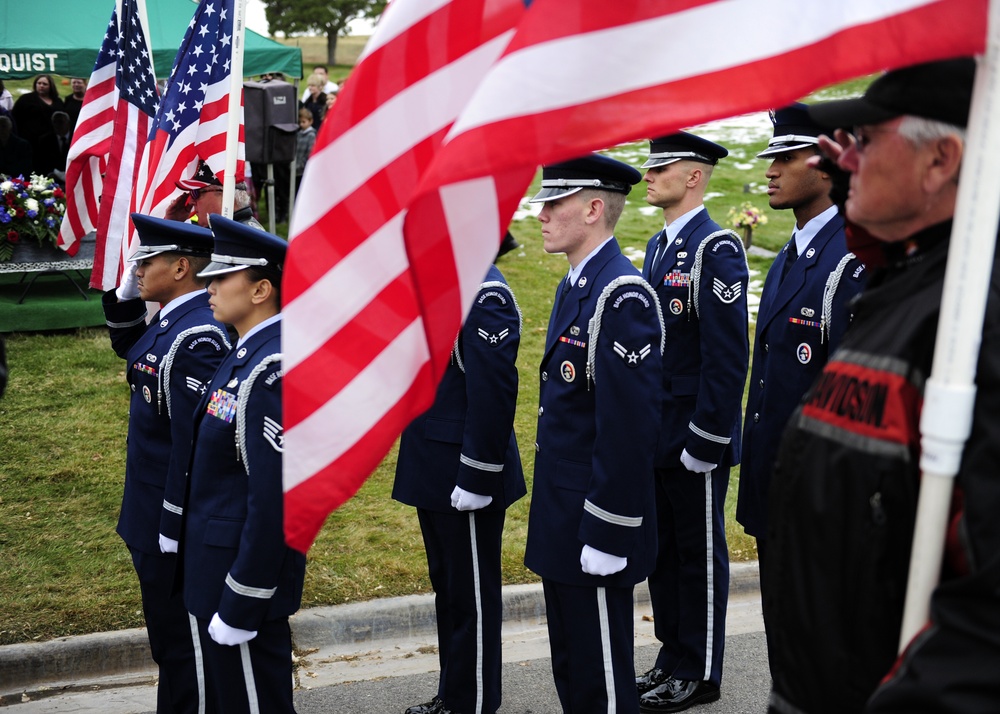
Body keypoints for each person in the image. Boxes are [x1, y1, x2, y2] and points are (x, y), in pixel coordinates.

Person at [763, 57, 1000, 713]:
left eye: (866, 143)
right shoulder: (912, 281)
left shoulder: (974, 319)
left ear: (940, 161)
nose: (846, 159)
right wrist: (857, 200)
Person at [524, 153, 664, 712]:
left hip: (594, 517)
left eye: (554, 204)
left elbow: (629, 429)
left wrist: (610, 529)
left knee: (603, 681)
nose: (541, 215)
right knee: (575, 668)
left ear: (593, 208)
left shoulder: (621, 294)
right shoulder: (578, 284)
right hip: (564, 509)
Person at [735, 103, 866, 665]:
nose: (769, 170)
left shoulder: (852, 258)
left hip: (819, 501)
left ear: (824, 164)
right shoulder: (794, 252)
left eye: (784, 158)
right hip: (778, 487)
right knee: (785, 648)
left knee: (822, 658)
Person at [172, 215, 305, 713]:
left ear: (260, 290)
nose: (208, 283)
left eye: (223, 276)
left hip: (241, 580)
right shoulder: (244, 352)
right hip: (217, 569)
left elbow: (275, 500)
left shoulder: (272, 369)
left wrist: (245, 597)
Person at [635, 132, 749, 713]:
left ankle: (701, 670)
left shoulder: (716, 247)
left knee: (699, 555)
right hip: (659, 428)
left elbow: (726, 356)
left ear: (696, 177)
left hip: (694, 433)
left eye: (663, 167)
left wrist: (709, 436)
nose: (649, 175)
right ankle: (671, 655)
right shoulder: (660, 247)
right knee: (664, 553)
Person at [102, 214, 230, 714]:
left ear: (180, 267)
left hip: (168, 521)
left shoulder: (198, 336)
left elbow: (193, 446)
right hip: (149, 514)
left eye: (146, 260)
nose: (137, 267)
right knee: (170, 646)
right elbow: (131, 349)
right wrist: (127, 290)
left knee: (184, 649)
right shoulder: (174, 320)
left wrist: (175, 525)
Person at [393, 262, 525, 714]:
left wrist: (478, 473)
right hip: (433, 461)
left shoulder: (483, 292)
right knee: (447, 589)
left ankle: (473, 703)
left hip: (464, 470)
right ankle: (454, 695)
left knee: (470, 598)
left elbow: (494, 389)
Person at [165, 160, 264, 230]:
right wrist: (173, 224)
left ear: (224, 194)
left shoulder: (242, 239)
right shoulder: (226, 232)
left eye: (196, 193)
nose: (191, 201)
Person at [11, 74, 64, 167]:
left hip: (51, 143)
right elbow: (14, 118)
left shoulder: (57, 101)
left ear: (50, 86)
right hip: (30, 141)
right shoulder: (26, 99)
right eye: (39, 83)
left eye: (45, 84)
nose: (41, 86)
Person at [34, 110, 72, 181]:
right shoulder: (45, 140)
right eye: (55, 122)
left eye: (61, 122)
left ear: (68, 123)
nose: (58, 125)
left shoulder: (75, 138)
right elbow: (41, 161)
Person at [295, 107, 316, 195]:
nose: (301, 124)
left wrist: (301, 165)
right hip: (297, 169)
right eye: (300, 122)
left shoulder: (311, 135)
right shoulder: (299, 134)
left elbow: (309, 153)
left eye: (304, 122)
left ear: (310, 121)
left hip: (303, 169)